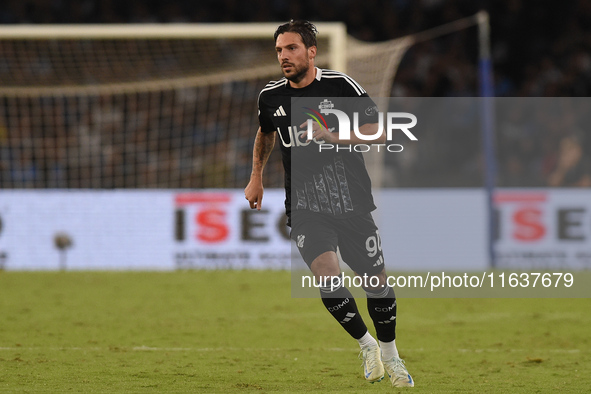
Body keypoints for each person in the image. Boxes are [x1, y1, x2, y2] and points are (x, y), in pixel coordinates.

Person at [244, 20, 414, 388]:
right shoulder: (270, 96)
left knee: (378, 285)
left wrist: (335, 136)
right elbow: (265, 132)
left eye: (290, 48)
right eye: (278, 50)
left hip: (351, 203)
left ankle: (391, 355)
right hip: (306, 208)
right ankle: (366, 345)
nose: (283, 57)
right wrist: (256, 176)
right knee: (327, 275)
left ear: (310, 51)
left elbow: (379, 130)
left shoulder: (341, 86)